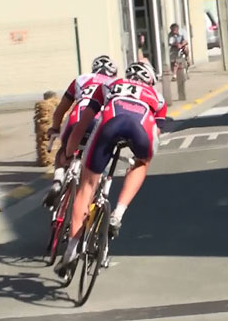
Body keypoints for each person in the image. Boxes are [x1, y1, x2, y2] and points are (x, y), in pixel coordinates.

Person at [55, 61, 167, 277]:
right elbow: (155, 131)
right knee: (142, 162)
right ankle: (118, 213)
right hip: (140, 129)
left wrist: (67, 155)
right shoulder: (158, 98)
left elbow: (82, 125)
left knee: (86, 187)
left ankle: (71, 249)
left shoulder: (109, 85)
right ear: (150, 81)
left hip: (110, 124)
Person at [42, 55, 118, 208]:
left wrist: (55, 127)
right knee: (97, 158)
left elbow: (59, 111)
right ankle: (93, 198)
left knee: (64, 152)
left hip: (77, 119)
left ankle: (58, 181)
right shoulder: (115, 84)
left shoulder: (80, 79)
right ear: (113, 73)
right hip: (100, 122)